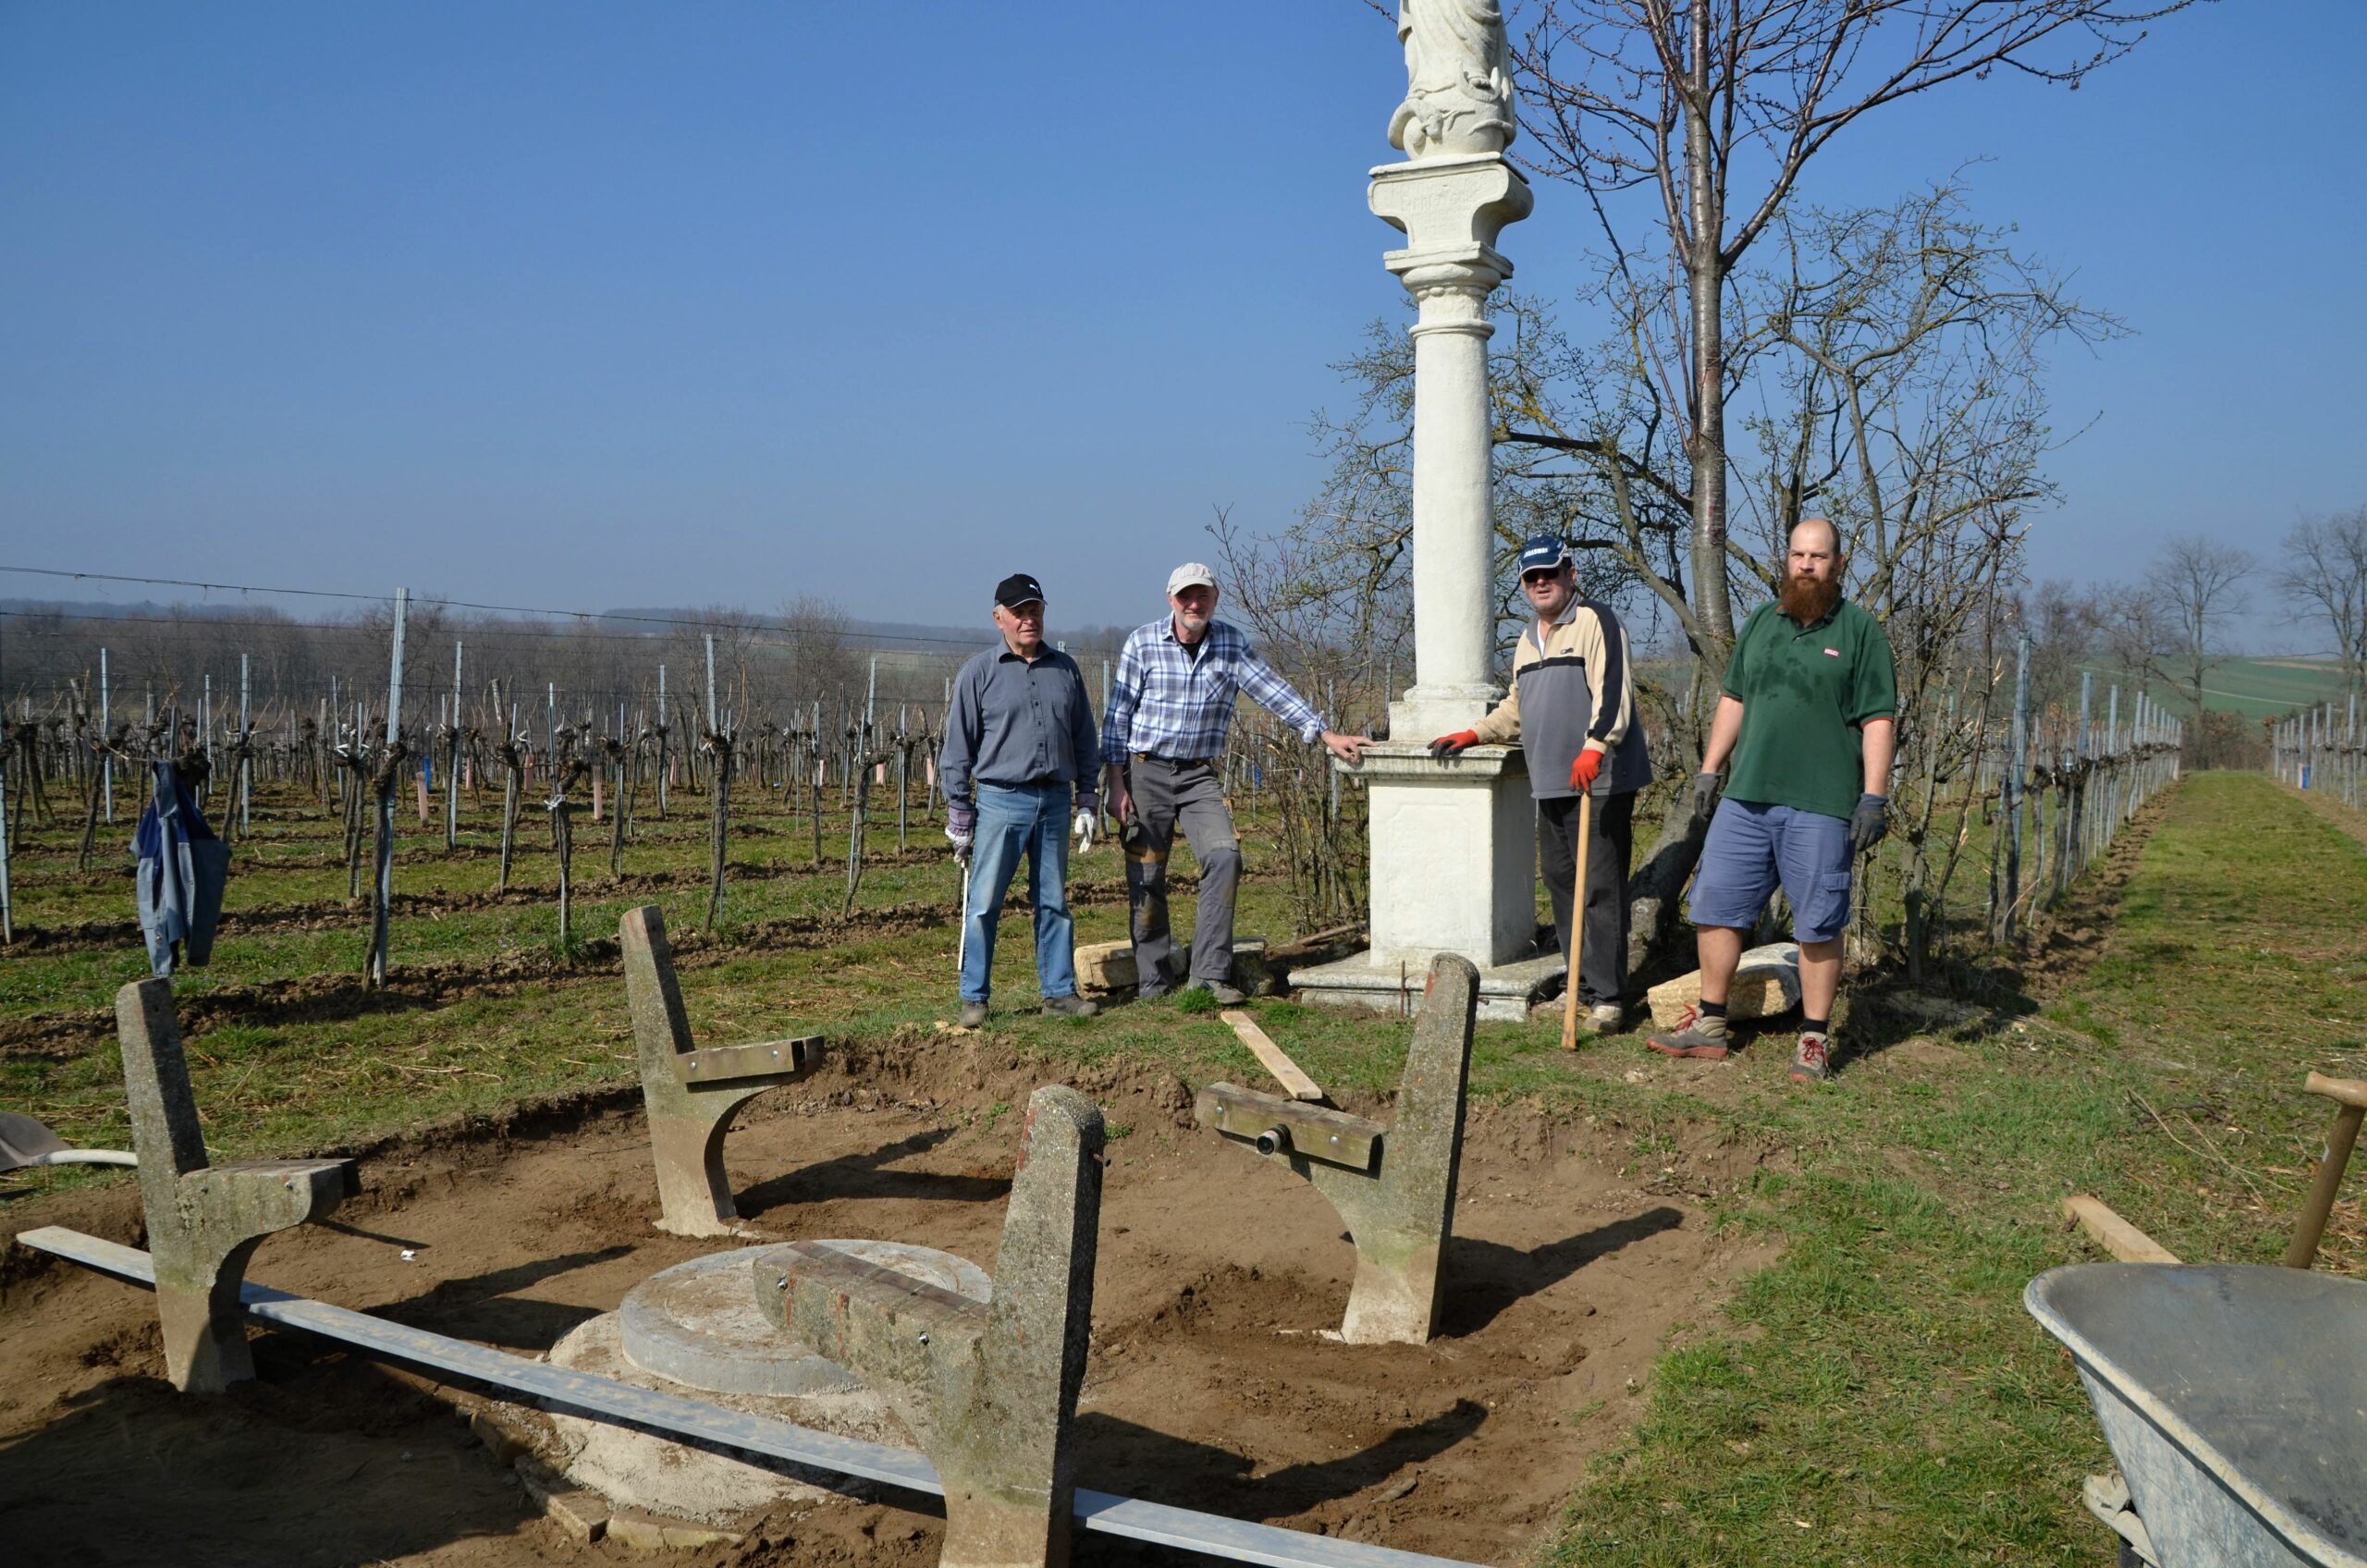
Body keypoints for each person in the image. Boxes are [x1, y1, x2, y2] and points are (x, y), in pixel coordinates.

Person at [1646, 518, 1896, 1083]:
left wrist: (1873, 796)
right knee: (1716, 906)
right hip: (1747, 796)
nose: (1806, 565)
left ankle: (1813, 1039)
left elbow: (1879, 718)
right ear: (1787, 559)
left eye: (1818, 556)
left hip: (1822, 802)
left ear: (1838, 564)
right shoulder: (1763, 621)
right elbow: (1733, 698)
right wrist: (1710, 770)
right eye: (1798, 554)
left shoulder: (1860, 631)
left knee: (1818, 922)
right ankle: (1710, 1024)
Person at [1102, 563, 1370, 1003]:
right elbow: (1117, 716)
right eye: (1186, 596)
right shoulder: (1143, 643)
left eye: (1202, 595)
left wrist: (1324, 733)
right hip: (1145, 770)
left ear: (1215, 599)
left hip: (1197, 775)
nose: (1194, 604)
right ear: (1171, 600)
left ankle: (1209, 975)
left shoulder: (1230, 643)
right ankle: (1154, 980)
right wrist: (1116, 783)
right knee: (1147, 874)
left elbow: (1272, 690)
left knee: (1225, 857)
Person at [1429, 534, 1650, 1032]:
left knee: (1599, 889)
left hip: (1599, 780)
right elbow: (1518, 706)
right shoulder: (1528, 638)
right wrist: (1476, 732)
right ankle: (1580, 987)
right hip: (1549, 781)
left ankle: (1608, 998)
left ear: (1571, 573)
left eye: (1550, 572)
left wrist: (1595, 746)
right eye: (1532, 577)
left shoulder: (1596, 620)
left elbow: (1613, 691)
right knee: (1562, 884)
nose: (1541, 583)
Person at [938, 571, 1104, 1028]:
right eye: (1019, 612)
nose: (1029, 619)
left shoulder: (1065, 670)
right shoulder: (978, 673)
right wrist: (959, 813)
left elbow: (1084, 739)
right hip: (1001, 802)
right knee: (984, 903)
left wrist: (1088, 799)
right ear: (999, 618)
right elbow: (957, 749)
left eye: (1035, 610)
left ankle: (1059, 993)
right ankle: (974, 998)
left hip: (1055, 801)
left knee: (1053, 901)